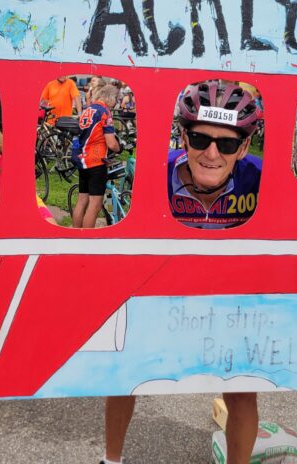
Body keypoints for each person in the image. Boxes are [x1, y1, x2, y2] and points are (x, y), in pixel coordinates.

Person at [102, 79, 262, 464]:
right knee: (124, 375)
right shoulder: (156, 173)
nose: (211, 154)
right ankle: (110, 459)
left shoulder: (260, 178)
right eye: (200, 139)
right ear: (184, 137)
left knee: (243, 391)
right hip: (163, 289)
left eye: (226, 145)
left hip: (229, 296)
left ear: (243, 148)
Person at [72, 84, 120, 228]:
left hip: (82, 159)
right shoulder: (104, 111)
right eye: (116, 99)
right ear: (111, 97)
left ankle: (75, 235)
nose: (115, 103)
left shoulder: (89, 109)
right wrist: (118, 148)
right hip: (96, 161)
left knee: (82, 201)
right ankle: (87, 239)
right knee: (95, 205)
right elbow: (111, 143)